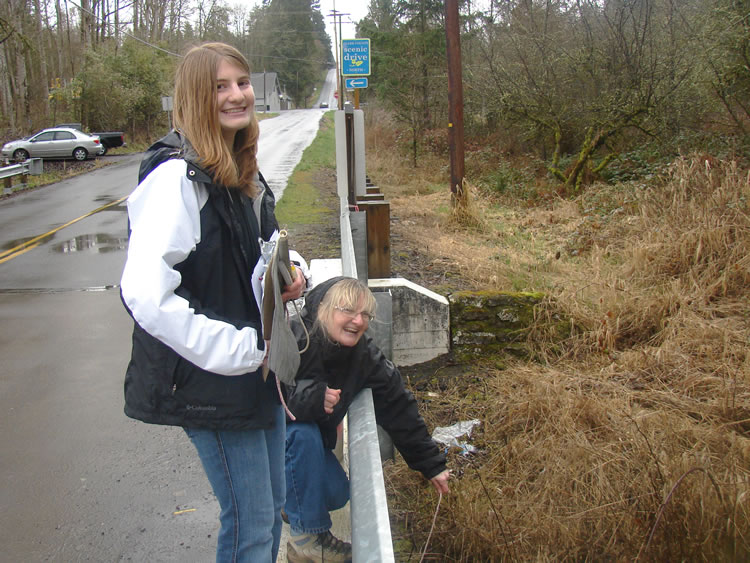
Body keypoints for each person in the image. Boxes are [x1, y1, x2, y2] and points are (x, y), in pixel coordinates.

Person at [120, 42, 305, 562]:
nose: (236, 95)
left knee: (270, 510)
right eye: (219, 86)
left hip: (256, 370)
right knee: (250, 523)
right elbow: (146, 294)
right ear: (194, 98)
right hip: (213, 378)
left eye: (242, 83)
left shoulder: (240, 168)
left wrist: (292, 274)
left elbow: (266, 249)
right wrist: (241, 350)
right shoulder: (176, 179)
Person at [283, 277, 450, 563]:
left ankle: (291, 500)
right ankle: (307, 541)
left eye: (365, 315)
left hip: (309, 448)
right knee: (302, 433)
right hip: (272, 443)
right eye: (347, 311)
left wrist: (431, 464)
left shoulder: (363, 356)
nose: (358, 321)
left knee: (336, 494)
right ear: (324, 308)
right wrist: (312, 397)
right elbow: (268, 394)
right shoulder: (297, 338)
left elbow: (398, 406)